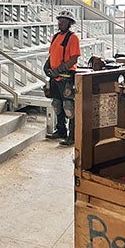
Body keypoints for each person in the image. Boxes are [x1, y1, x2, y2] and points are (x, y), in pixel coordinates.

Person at [43, 10, 81, 146]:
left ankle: (72, 136)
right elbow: (51, 54)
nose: (61, 23)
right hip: (55, 78)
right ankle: (61, 131)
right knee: (56, 105)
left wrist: (58, 70)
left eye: (64, 21)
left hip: (66, 78)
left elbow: (74, 58)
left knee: (69, 107)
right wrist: (47, 66)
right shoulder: (55, 37)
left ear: (70, 23)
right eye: (60, 21)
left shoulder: (73, 38)